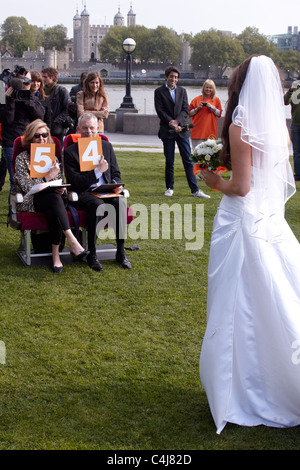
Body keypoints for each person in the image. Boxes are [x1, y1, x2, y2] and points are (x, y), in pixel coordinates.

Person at [199, 55, 300, 434]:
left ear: (239, 81)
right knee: (276, 297)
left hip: (243, 219)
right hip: (271, 220)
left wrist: (212, 180)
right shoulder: (280, 125)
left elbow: (241, 186)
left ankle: (242, 385)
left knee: (238, 302)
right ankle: (268, 377)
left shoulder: (241, 121)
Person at [13, 119, 86, 273]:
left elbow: (61, 181)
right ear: (30, 138)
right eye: (37, 136)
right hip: (32, 200)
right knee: (54, 201)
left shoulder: (53, 158)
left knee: (55, 203)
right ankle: (71, 241)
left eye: (44, 135)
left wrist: (62, 190)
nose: (41, 139)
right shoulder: (22, 159)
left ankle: (56, 257)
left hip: (53, 200)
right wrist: (47, 178)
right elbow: (27, 188)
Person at [64, 113, 131, 271]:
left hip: (105, 190)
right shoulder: (70, 152)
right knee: (97, 204)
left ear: (98, 129)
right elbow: (74, 181)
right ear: (78, 129)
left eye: (92, 128)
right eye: (85, 128)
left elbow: (115, 173)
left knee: (119, 202)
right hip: (83, 192)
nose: (89, 131)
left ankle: (120, 252)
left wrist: (115, 185)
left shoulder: (106, 146)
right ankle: (92, 253)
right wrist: (97, 172)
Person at [154, 66, 209, 198]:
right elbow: (160, 111)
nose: (174, 79)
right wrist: (171, 123)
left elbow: (185, 109)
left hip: (182, 130)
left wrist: (177, 123)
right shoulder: (159, 92)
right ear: (166, 77)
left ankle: (195, 190)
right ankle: (169, 187)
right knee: (170, 161)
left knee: (188, 160)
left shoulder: (182, 91)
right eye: (172, 76)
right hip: (167, 130)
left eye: (176, 77)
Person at [0, 70, 45, 191]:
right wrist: (9, 99)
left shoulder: (31, 97)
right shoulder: (5, 96)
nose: (26, 84)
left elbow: (40, 115)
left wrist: (27, 98)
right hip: (11, 142)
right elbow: (6, 120)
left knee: (33, 178)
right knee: (15, 180)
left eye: (27, 82)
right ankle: (13, 209)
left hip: (31, 141)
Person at [189, 79, 222, 149]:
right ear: (203, 88)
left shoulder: (216, 100)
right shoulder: (196, 99)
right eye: (207, 87)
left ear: (213, 89)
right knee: (197, 154)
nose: (208, 89)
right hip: (197, 132)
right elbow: (189, 113)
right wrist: (197, 108)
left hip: (211, 132)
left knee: (211, 155)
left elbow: (219, 114)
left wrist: (213, 108)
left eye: (210, 88)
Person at [42, 67, 71, 148]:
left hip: (57, 129)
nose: (43, 79)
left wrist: (57, 120)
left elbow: (68, 108)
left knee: (56, 151)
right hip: (45, 127)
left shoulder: (62, 90)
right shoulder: (42, 90)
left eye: (45, 77)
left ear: (52, 77)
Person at [284, 74, 300, 180]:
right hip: (296, 125)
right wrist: (290, 91)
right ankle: (298, 174)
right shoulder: (295, 88)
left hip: (295, 125)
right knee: (297, 152)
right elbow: (285, 102)